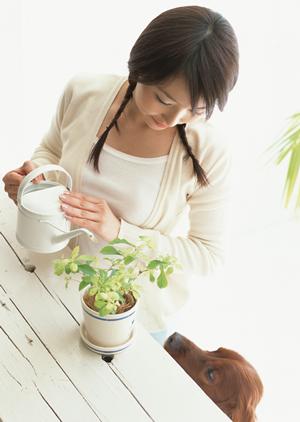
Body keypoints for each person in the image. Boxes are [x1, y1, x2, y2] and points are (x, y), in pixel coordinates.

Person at [2, 5, 239, 345]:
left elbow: (208, 256)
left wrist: (118, 232)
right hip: (38, 284)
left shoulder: (209, 151)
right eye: (163, 98)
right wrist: (33, 181)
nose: (175, 118)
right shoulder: (84, 92)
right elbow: (50, 152)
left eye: (196, 110)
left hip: (124, 318)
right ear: (139, 65)